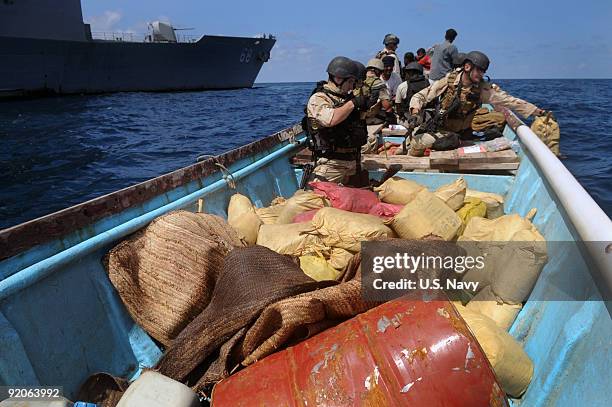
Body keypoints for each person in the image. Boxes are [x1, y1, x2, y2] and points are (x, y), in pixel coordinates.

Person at [408, 51, 546, 155]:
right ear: (467, 67)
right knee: (414, 143)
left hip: (463, 134)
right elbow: (422, 95)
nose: (481, 74)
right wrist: (415, 111)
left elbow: (509, 100)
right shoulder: (449, 81)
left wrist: (536, 111)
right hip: (442, 130)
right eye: (479, 70)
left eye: (483, 71)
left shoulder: (481, 89)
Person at [305, 56, 368, 183]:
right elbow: (330, 120)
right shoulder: (319, 98)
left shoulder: (344, 98)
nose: (351, 87)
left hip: (353, 162)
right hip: (331, 165)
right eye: (350, 82)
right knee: (313, 201)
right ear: (338, 78)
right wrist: (353, 103)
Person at [357, 58, 395, 153]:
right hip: (371, 118)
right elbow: (387, 106)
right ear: (378, 71)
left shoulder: (359, 81)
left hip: (357, 117)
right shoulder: (379, 84)